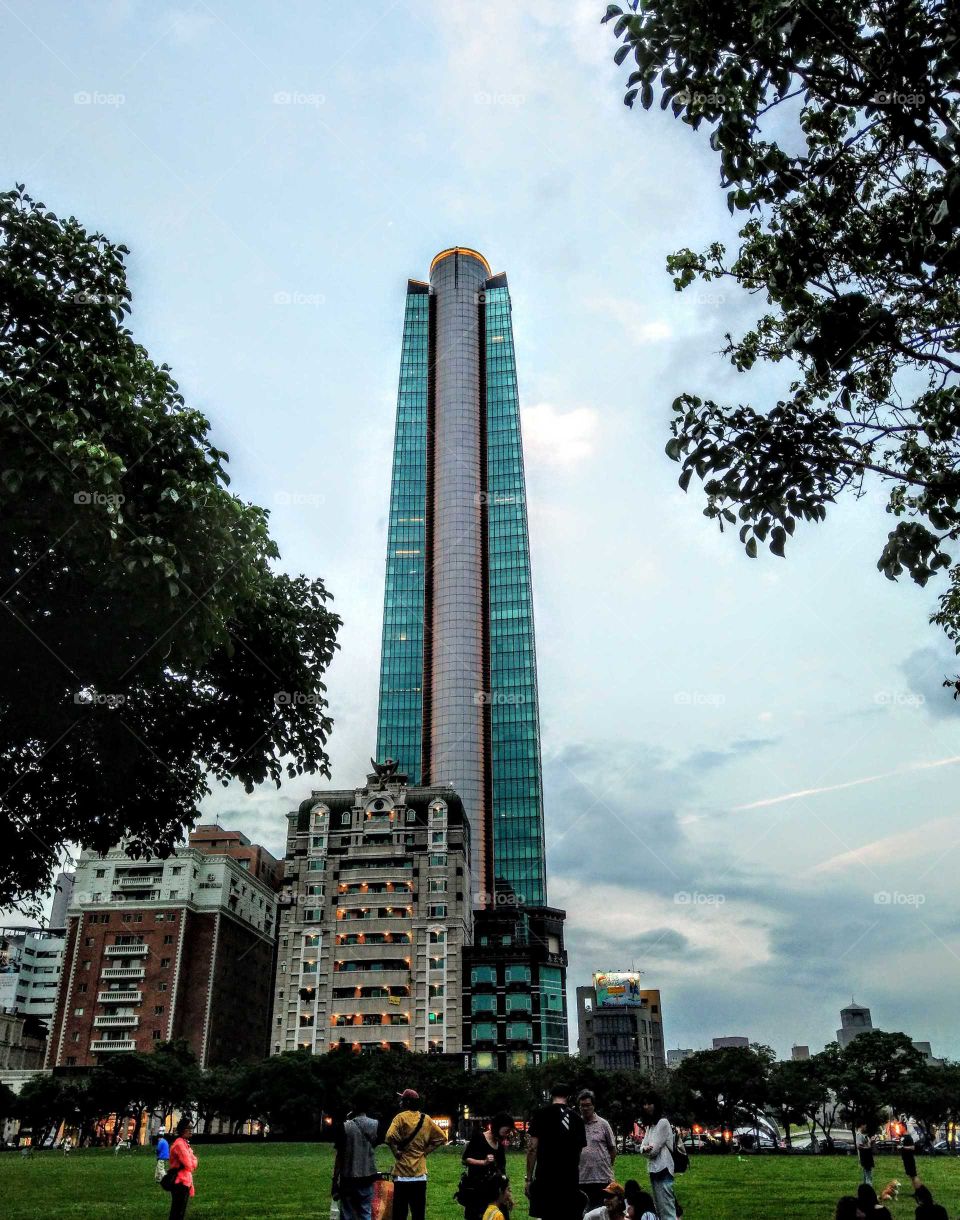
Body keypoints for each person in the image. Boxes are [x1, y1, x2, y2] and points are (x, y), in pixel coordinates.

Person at [525, 1082, 587, 1220]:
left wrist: (528, 1178)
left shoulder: (540, 1115)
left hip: (546, 1178)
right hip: (569, 1179)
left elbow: (532, 1148)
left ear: (551, 1096)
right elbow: (580, 1150)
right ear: (569, 1097)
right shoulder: (577, 1119)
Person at [385, 1088, 447, 1220]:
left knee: (399, 1214)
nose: (400, 1102)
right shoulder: (426, 1119)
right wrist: (425, 1152)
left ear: (406, 1102)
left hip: (402, 1175)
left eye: (402, 1099)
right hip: (420, 1175)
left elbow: (389, 1136)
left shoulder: (400, 1118)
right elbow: (442, 1138)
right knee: (418, 1214)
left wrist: (396, 1152)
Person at [333, 1096, 382, 1220]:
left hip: (348, 1176)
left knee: (347, 1212)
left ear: (353, 1108)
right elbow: (375, 1143)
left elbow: (339, 1156)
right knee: (366, 1212)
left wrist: (335, 1179)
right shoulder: (375, 1124)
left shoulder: (345, 1126)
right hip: (367, 1175)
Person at [461, 1114, 514, 1220]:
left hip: (496, 1194)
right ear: (498, 1126)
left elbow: (502, 1169)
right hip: (479, 1191)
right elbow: (465, 1159)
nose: (508, 1134)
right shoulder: (479, 1138)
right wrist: (483, 1162)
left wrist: (507, 1193)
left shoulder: (500, 1145)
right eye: (507, 1131)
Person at [639, 1092, 678, 1220]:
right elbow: (641, 1148)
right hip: (653, 1169)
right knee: (659, 1208)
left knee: (667, 1208)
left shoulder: (663, 1123)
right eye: (644, 1104)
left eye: (649, 1103)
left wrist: (645, 1149)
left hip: (664, 1169)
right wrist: (644, 1149)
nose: (646, 1106)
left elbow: (653, 1151)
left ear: (655, 1105)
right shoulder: (650, 1126)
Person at [578, 1090, 617, 1209]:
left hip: (602, 1178)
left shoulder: (603, 1124)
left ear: (594, 1106)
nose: (585, 1108)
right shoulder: (576, 1125)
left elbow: (613, 1149)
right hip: (581, 1179)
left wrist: (605, 1165)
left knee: (601, 1212)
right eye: (582, 1106)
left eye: (588, 1105)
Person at [167, 1117, 199, 1220]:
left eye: (191, 1127)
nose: (191, 1130)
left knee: (180, 1212)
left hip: (185, 1181)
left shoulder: (185, 1143)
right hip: (179, 1182)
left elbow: (193, 1160)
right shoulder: (179, 1144)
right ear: (182, 1130)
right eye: (189, 1127)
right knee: (177, 1212)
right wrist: (192, 1162)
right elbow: (189, 1164)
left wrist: (192, 1162)